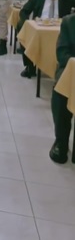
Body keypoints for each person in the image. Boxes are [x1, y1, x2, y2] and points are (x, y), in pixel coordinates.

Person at [17, 0, 75, 77]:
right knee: (23, 30)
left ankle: (64, 67)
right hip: (40, 26)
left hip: (61, 29)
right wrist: (28, 23)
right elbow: (24, 11)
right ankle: (29, 66)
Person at [50, 13, 75, 163]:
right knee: (60, 92)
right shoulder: (69, 22)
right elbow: (62, 54)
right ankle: (61, 141)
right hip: (72, 70)